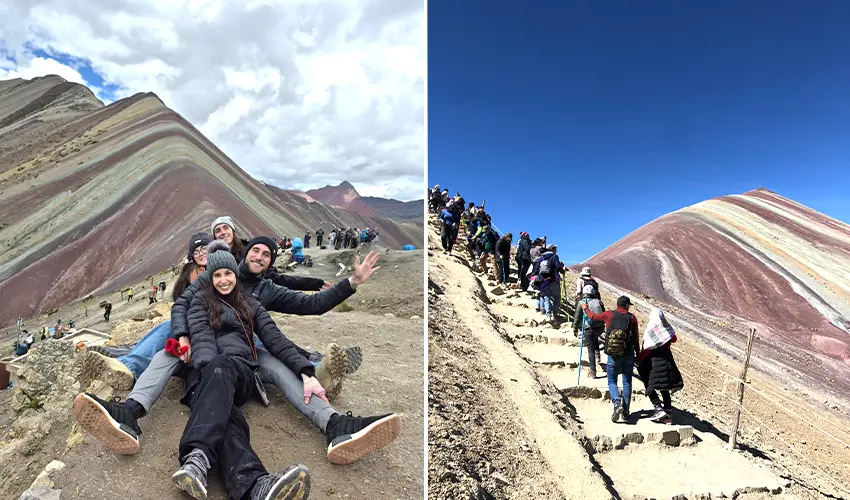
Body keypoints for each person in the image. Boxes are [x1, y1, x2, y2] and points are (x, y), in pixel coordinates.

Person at [74, 239, 384, 460]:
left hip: (248, 346)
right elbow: (182, 306)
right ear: (242, 255)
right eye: (256, 251)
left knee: (277, 358)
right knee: (168, 344)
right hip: (207, 345)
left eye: (267, 255)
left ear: (270, 263)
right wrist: (185, 338)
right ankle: (129, 403)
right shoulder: (209, 284)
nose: (260, 257)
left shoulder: (262, 294)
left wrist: (351, 283)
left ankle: (333, 420)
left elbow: (296, 316)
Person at [170, 247, 313, 499]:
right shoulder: (199, 303)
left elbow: (275, 339)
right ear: (210, 278)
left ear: (236, 274)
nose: (223, 280)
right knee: (225, 420)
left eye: (228, 273)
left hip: (239, 373)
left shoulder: (251, 305)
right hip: (205, 374)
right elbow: (202, 342)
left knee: (222, 369)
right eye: (217, 275)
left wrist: (305, 370)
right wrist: (208, 378)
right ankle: (255, 487)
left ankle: (197, 458)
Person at [582, 296, 641, 422]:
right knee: (627, 382)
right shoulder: (632, 318)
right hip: (628, 353)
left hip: (613, 355)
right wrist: (638, 353)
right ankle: (625, 411)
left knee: (612, 381)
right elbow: (635, 338)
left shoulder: (609, 314)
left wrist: (585, 308)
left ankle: (616, 404)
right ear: (626, 305)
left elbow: (593, 317)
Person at [637, 308, 683, 424]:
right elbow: (674, 338)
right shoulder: (665, 330)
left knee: (650, 384)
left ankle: (658, 408)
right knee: (664, 386)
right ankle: (668, 413)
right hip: (667, 361)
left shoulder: (650, 331)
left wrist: (638, 360)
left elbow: (647, 349)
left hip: (654, 363)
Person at [573, 285, 606, 378]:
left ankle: (593, 372)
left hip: (588, 328)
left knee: (590, 349)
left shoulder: (581, 302)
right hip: (599, 327)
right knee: (595, 339)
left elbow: (577, 317)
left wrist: (575, 328)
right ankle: (598, 356)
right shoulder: (599, 302)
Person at [533, 246, 565, 323]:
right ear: (552, 250)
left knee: (546, 298)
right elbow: (558, 267)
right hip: (553, 280)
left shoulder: (541, 258)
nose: (556, 251)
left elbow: (536, 270)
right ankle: (554, 314)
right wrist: (563, 271)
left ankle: (548, 315)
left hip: (543, 282)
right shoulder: (554, 257)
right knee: (557, 298)